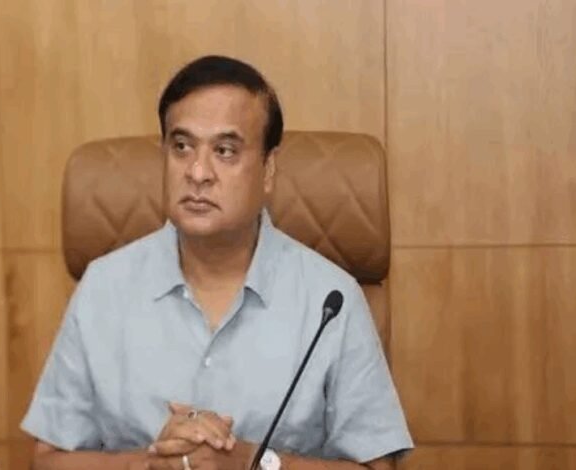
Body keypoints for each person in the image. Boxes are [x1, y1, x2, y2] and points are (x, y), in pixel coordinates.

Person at [21, 55, 413, 470]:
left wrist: (252, 462)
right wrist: (154, 464)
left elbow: (378, 468)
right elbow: (48, 461)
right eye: (181, 147)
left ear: (268, 169)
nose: (197, 172)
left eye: (225, 151)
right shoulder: (104, 286)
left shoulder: (330, 299)